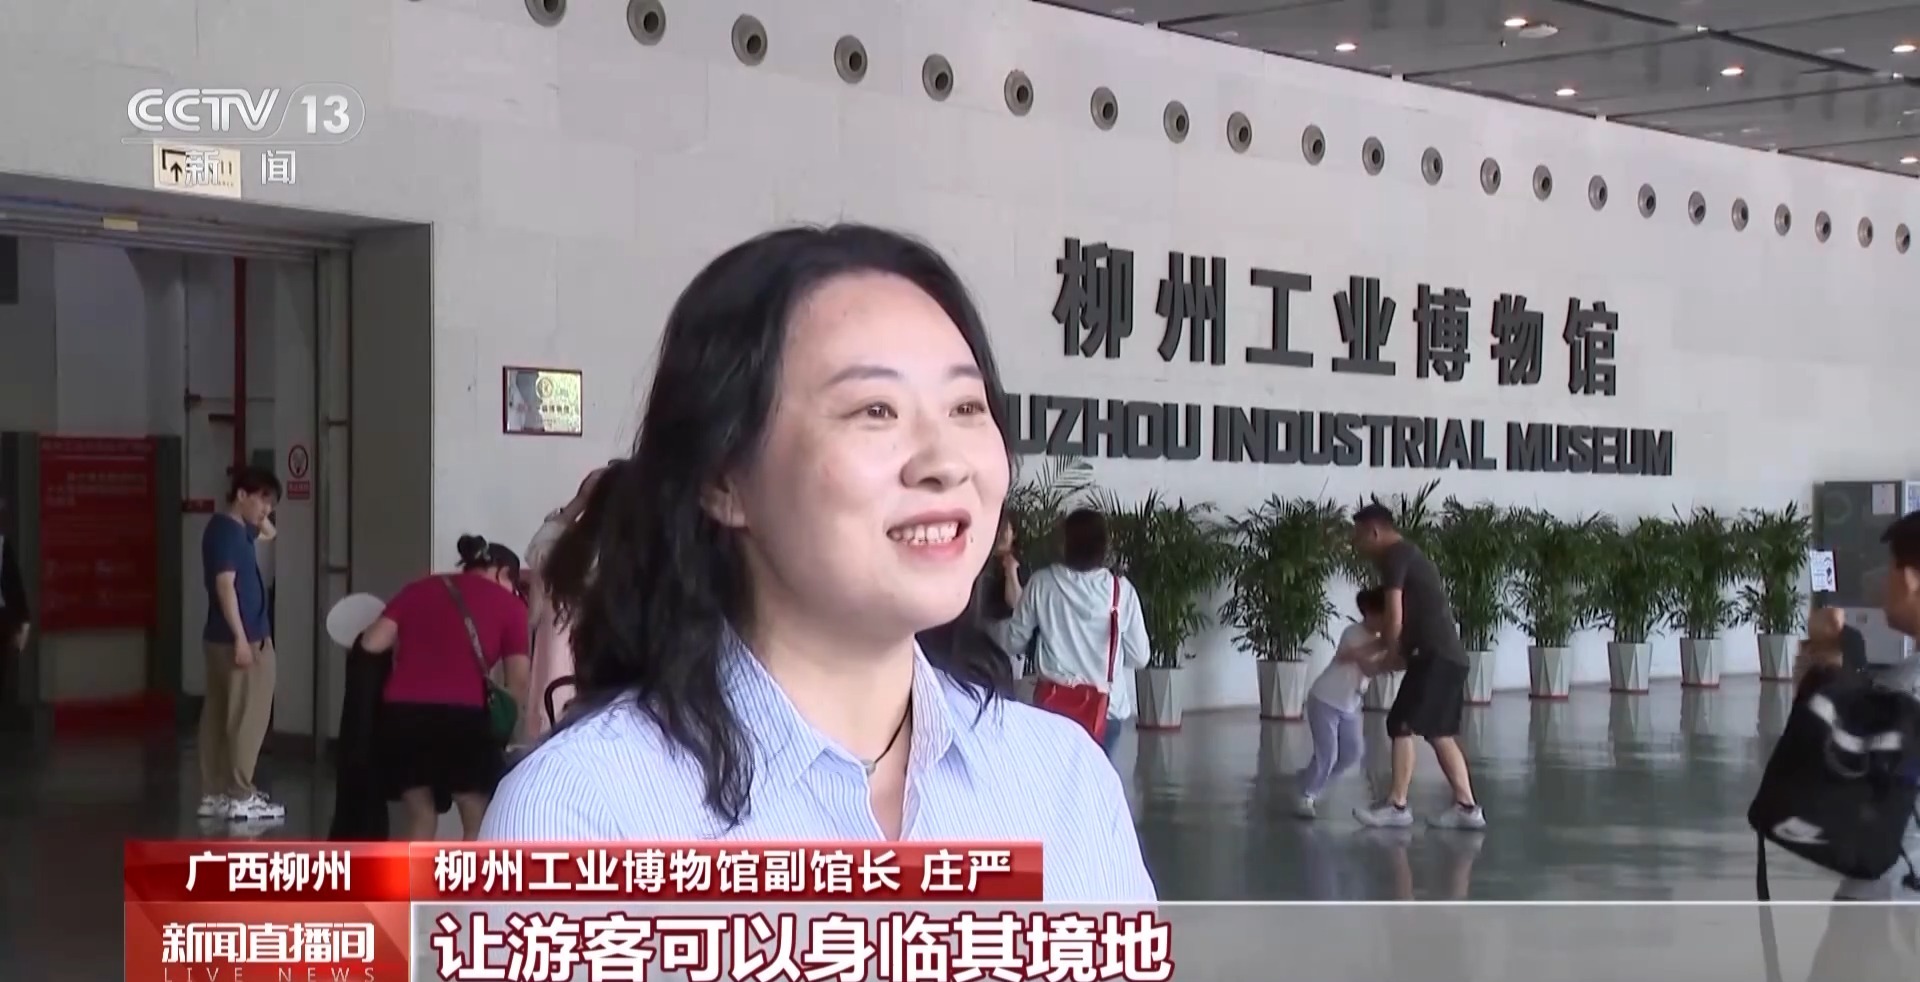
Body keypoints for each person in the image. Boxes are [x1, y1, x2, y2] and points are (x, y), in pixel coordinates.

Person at [479, 225, 1153, 901]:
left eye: (966, 407)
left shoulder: (1062, 780)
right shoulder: (581, 816)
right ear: (723, 479)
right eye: (875, 410)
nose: (946, 463)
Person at [357, 536, 530, 840]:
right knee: (475, 821)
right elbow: (518, 682)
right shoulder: (511, 607)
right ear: (503, 572)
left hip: (403, 716)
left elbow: (372, 643)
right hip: (464, 720)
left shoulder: (418, 589)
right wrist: (507, 726)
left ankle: (412, 873)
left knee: (421, 816)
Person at [1349, 503, 1486, 830]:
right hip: (1445, 657)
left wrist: (1385, 655)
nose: (1357, 545)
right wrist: (1385, 657)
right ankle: (1467, 807)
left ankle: (1397, 805)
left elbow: (1394, 617)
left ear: (1374, 531)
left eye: (1359, 537)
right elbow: (1409, 623)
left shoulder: (1396, 555)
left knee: (1401, 722)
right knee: (1438, 731)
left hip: (1435, 656)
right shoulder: (1408, 555)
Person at [1003, 508, 1152, 758]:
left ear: (1065, 544)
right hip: (1106, 709)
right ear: (1104, 546)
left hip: (1053, 706)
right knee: (1098, 780)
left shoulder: (1042, 583)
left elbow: (1013, 642)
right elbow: (1140, 657)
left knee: (1053, 779)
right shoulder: (1121, 591)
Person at [197, 466, 284, 823]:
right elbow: (225, 587)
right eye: (261, 500)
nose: (267, 510)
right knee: (247, 718)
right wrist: (241, 639)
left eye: (271, 503)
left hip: (222, 638)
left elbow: (271, 534)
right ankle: (241, 794)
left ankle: (216, 792)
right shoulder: (228, 534)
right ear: (241, 495)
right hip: (243, 640)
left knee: (221, 716)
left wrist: (259, 514)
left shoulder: (232, 530)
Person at [521, 464, 615, 742]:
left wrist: (579, 501)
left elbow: (539, 545)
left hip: (554, 691)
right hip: (608, 703)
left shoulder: (560, 555)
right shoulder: (639, 560)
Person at [1296, 587, 1392, 819]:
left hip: (1350, 705)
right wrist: (1385, 648)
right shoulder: (1353, 632)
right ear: (1370, 612)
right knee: (1328, 754)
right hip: (1325, 700)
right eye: (1384, 615)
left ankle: (1311, 781)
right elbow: (1359, 662)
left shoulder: (1381, 640)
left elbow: (1372, 664)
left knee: (1352, 753)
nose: (1387, 621)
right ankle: (1307, 795)